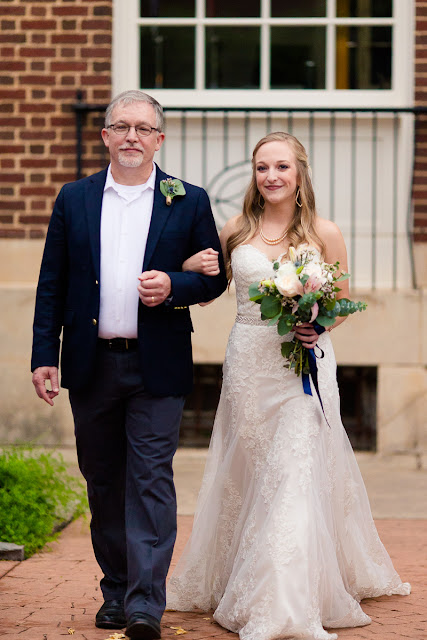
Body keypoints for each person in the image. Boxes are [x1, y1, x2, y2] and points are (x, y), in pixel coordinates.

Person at [166, 132, 410, 640]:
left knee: (296, 471)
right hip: (249, 364)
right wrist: (188, 268)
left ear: (299, 174)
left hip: (303, 366)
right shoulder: (235, 228)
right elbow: (212, 292)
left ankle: (283, 600)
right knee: (258, 473)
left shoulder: (324, 231)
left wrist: (318, 326)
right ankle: (248, 572)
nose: (270, 176)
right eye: (261, 167)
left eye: (280, 166)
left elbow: (342, 299)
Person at [31, 89, 227, 640]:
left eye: (144, 128)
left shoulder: (188, 200)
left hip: (156, 366)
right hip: (92, 364)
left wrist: (174, 285)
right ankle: (115, 590)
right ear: (106, 137)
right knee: (102, 480)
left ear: (159, 139)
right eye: (122, 127)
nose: (132, 137)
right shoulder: (74, 198)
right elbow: (52, 285)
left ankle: (145, 602)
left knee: (150, 480)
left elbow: (215, 277)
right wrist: (45, 354)